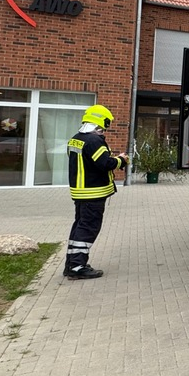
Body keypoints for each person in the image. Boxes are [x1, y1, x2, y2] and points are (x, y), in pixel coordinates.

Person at [64, 104, 129, 280]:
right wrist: (121, 160)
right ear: (101, 122)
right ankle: (78, 266)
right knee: (88, 228)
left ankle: (71, 264)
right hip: (92, 193)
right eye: (106, 123)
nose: (106, 128)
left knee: (79, 226)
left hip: (81, 193)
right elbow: (104, 164)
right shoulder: (94, 141)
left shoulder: (75, 139)